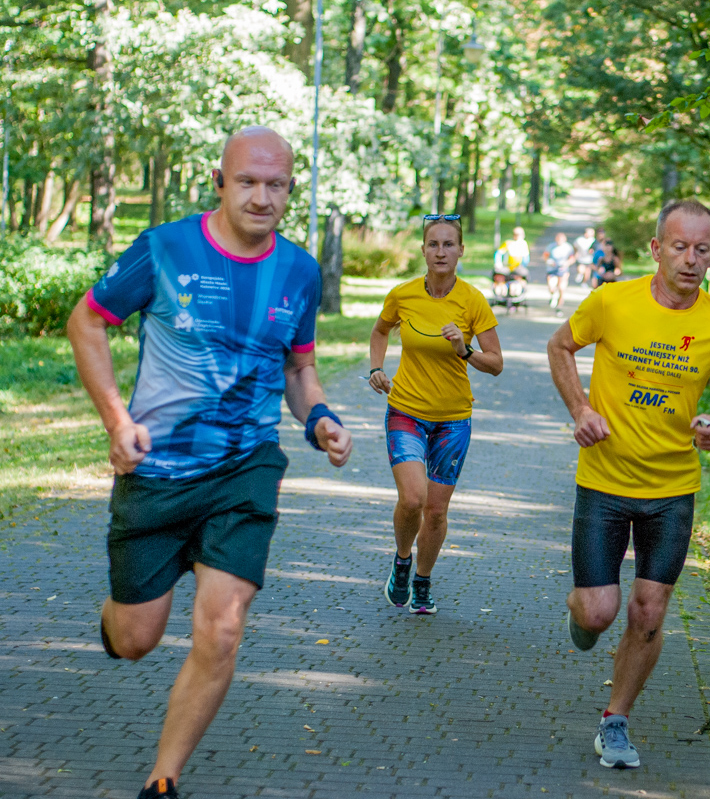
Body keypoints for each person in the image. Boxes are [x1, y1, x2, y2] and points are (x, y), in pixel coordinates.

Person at [65, 126, 353, 799]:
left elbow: (299, 368)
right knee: (137, 637)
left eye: (275, 183)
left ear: (289, 188)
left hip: (245, 467)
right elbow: (87, 321)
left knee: (222, 626)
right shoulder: (166, 248)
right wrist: (116, 419)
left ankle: (162, 779)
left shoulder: (300, 271)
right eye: (247, 181)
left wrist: (321, 419)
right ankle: (118, 620)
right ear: (219, 182)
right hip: (158, 470)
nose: (261, 196)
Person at [546, 199, 710, 770]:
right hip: (605, 479)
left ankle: (616, 720)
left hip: (672, 488)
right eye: (679, 247)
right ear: (657, 250)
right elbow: (559, 346)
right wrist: (580, 408)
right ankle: (580, 611)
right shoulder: (613, 301)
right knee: (597, 613)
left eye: (702, 249)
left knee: (649, 610)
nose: (690, 259)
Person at [369, 214, 503, 615]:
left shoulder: (473, 300)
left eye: (449, 244)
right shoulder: (403, 294)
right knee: (412, 499)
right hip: (406, 409)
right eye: (433, 244)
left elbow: (496, 363)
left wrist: (464, 348)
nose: (441, 251)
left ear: (461, 250)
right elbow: (380, 330)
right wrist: (377, 368)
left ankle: (423, 580)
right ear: (423, 250)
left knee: (437, 510)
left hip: (453, 418)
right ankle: (403, 560)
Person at [493, 225, 531, 299]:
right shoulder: (508, 243)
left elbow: (526, 258)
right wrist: (498, 263)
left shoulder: (523, 244)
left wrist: (523, 265)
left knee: (523, 274)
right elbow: (499, 253)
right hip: (507, 267)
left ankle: (519, 289)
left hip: (517, 268)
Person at [543, 231, 575, 316]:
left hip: (563, 270)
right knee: (551, 286)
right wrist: (549, 261)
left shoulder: (568, 247)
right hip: (552, 269)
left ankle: (559, 307)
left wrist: (567, 263)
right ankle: (553, 296)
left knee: (561, 288)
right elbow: (545, 256)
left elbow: (572, 258)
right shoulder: (551, 246)